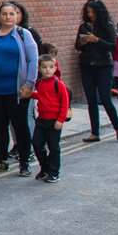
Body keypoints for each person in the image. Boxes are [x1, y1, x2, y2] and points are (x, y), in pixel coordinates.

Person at [0, 1, 39, 175]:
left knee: (20, 126)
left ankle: (24, 162)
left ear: (17, 16)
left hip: (17, 91)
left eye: (12, 14)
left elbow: (33, 60)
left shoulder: (23, 34)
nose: (8, 17)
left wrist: (29, 84)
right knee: (0, 126)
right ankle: (1, 159)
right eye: (4, 14)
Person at [74, 0, 118, 143]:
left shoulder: (107, 26)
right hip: (87, 65)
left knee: (106, 99)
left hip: (103, 66)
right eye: (88, 12)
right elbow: (78, 46)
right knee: (91, 100)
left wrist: (96, 40)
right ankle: (94, 132)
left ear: (99, 12)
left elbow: (112, 46)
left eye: (92, 12)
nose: (90, 15)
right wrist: (82, 42)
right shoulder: (83, 26)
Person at [32, 53, 71, 183]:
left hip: (54, 121)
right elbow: (42, 96)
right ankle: (45, 168)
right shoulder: (40, 83)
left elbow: (65, 102)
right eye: (44, 67)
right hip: (42, 119)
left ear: (55, 68)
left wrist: (60, 120)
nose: (47, 70)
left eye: (50, 67)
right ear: (39, 69)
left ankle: (54, 172)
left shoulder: (58, 84)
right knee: (37, 144)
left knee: (53, 147)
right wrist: (31, 95)